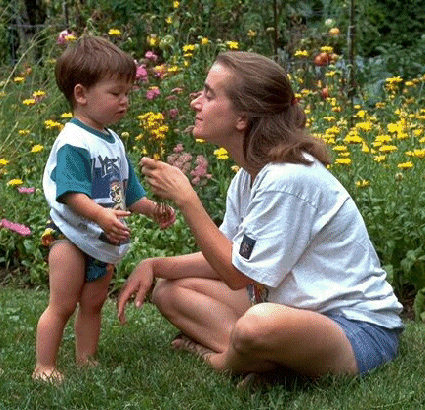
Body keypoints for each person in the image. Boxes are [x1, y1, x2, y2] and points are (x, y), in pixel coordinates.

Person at [117, 51, 404, 384]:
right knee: (169, 291)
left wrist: (187, 199)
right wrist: (155, 265)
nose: (195, 103)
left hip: (356, 328)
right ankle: (265, 360)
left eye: (209, 95)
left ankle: (223, 360)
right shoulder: (249, 176)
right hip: (295, 313)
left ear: (242, 117)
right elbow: (229, 256)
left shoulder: (287, 178)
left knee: (258, 324)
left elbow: (235, 275)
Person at [33, 35, 175, 382]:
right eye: (115, 93)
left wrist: (151, 209)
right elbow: (70, 193)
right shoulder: (74, 141)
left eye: (128, 93)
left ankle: (86, 359)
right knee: (62, 305)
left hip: (102, 239)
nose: (125, 101)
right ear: (81, 94)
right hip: (70, 236)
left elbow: (128, 193)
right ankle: (44, 366)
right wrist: (100, 215)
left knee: (93, 304)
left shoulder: (113, 142)